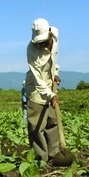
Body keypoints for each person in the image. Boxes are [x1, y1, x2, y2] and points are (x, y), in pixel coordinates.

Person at [25, 18, 60, 162]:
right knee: (36, 127)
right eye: (39, 42)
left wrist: (56, 72)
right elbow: (38, 79)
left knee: (52, 123)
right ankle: (41, 160)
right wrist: (50, 95)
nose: (42, 45)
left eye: (44, 41)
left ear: (50, 34)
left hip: (51, 86)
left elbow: (54, 58)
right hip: (36, 91)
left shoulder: (56, 36)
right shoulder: (32, 50)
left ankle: (55, 156)